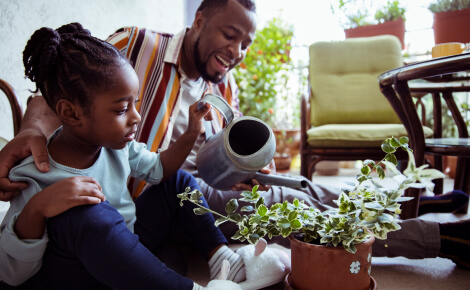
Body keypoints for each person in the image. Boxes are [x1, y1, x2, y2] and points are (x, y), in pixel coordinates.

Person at [0, 0, 469, 271]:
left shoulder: (222, 85)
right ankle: (442, 240)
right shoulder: (133, 45)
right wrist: (28, 132)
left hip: (197, 190)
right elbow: (55, 90)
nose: (237, 51)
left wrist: (252, 169)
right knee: (297, 210)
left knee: (299, 186)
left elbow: (222, 159)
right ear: (199, 20)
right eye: (230, 34)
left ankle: (425, 211)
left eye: (246, 43)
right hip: (161, 199)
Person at [0, 22, 290, 289]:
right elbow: (11, 272)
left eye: (135, 104)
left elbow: (160, 169)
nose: (135, 117)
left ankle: (223, 260)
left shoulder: (117, 147)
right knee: (89, 214)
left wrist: (191, 133)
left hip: (125, 246)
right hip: (73, 274)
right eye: (121, 109)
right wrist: (37, 208)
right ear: (69, 112)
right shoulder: (32, 173)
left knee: (177, 181)